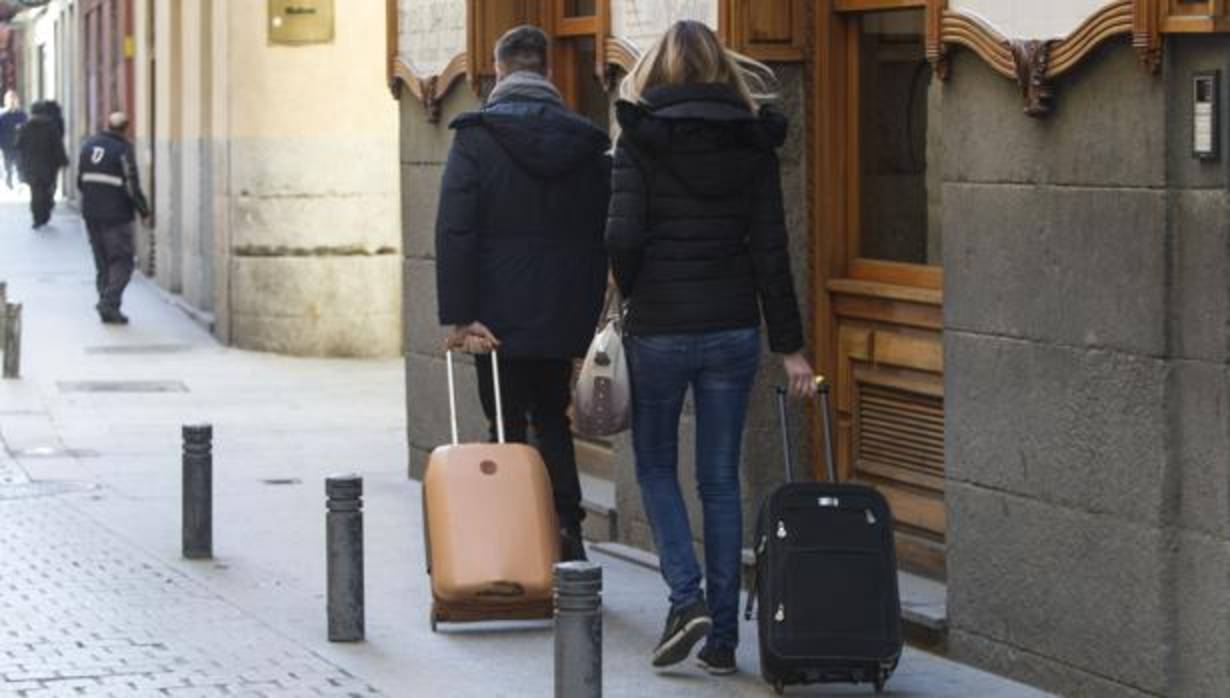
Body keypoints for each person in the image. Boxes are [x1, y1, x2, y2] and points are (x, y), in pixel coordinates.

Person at [605, 20, 817, 675]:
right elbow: (772, 253)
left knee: (656, 468)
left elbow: (621, 238)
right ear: (723, 69)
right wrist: (792, 349)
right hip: (731, 327)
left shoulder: (639, 137)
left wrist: (627, 294)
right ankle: (723, 639)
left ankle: (686, 598)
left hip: (660, 327)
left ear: (660, 70)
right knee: (721, 482)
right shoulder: (752, 142)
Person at [434, 25, 611, 561]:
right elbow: (600, 232)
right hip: (562, 313)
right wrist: (587, 318)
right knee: (553, 420)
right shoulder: (586, 141)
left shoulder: (476, 137)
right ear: (547, 73)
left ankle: (514, 544)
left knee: (505, 424)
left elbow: (455, 230)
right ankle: (569, 535)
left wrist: (462, 318)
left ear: (499, 70)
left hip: (496, 319)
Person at [77, 112, 150, 324]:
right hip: (116, 215)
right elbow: (131, 185)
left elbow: (80, 181)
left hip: (91, 213)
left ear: (107, 125)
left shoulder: (88, 145)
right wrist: (144, 211)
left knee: (102, 263)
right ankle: (109, 302)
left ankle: (109, 309)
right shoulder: (123, 150)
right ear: (127, 128)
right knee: (123, 262)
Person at [15, 100, 68, 228]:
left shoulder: (25, 127)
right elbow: (57, 146)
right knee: (48, 189)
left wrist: (20, 165)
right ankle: (45, 212)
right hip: (49, 165)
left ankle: (37, 217)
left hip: (31, 165)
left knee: (35, 192)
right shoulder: (51, 127)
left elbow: (18, 146)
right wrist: (63, 160)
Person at [0, 91, 28, 189]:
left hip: (19, 144)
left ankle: (20, 183)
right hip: (6, 145)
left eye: (14, 99)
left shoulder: (22, 115)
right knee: (7, 166)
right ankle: (9, 182)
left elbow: (27, 128)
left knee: (20, 164)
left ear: (17, 101)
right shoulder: (2, 116)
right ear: (6, 101)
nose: (12, 101)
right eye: (10, 99)